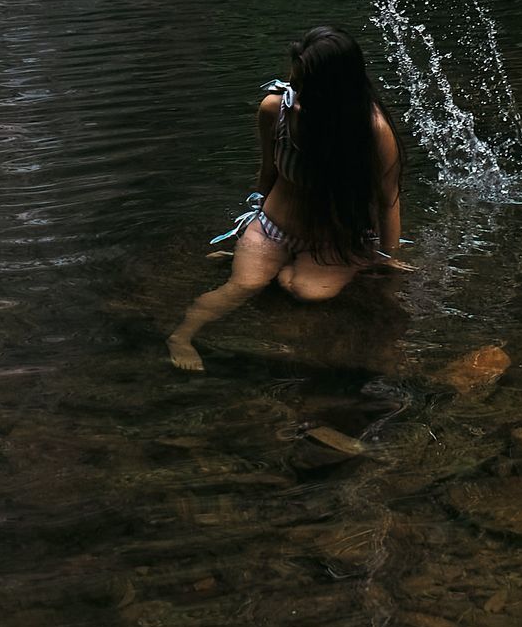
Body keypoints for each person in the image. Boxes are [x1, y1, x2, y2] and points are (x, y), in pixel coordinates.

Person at [168, 26, 407, 371]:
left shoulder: (372, 131)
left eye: (308, 87)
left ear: (336, 89)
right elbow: (267, 172)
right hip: (274, 227)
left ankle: (286, 267)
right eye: (296, 83)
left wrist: (387, 258)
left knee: (309, 292)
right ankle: (181, 336)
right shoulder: (275, 109)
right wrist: (247, 227)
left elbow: (388, 200)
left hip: (333, 239)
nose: (297, 93)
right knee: (242, 285)